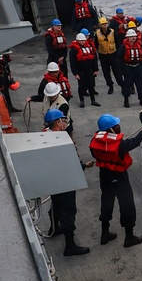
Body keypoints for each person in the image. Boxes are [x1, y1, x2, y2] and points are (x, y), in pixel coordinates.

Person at [88, 112, 142, 247]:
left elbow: (96, 153)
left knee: (106, 204)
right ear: (110, 129)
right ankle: (129, 237)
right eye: (117, 125)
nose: (119, 127)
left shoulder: (94, 141)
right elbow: (136, 141)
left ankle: (105, 234)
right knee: (127, 206)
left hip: (105, 178)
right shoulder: (120, 145)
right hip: (120, 179)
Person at [42, 107, 91, 256]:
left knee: (56, 204)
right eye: (63, 120)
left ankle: (54, 228)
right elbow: (69, 163)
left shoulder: (44, 135)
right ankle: (70, 246)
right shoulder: (61, 141)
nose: (65, 123)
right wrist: (84, 165)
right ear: (57, 122)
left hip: (53, 180)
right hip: (65, 180)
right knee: (68, 211)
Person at [69, 28, 100, 107]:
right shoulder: (73, 50)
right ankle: (81, 100)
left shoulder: (88, 48)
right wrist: (75, 73)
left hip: (89, 70)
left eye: (84, 40)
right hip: (80, 71)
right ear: (78, 41)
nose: (83, 42)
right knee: (81, 86)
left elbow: (93, 59)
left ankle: (93, 100)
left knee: (91, 86)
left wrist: (95, 69)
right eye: (81, 40)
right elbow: (72, 63)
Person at [120, 26, 142, 106]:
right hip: (128, 67)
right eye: (131, 37)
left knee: (140, 84)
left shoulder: (138, 45)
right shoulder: (123, 47)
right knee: (127, 84)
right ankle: (126, 99)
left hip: (138, 67)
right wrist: (122, 70)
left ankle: (141, 99)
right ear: (127, 37)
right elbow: (120, 58)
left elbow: (141, 56)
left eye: (134, 36)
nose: (133, 38)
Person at [94, 16, 118, 94]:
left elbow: (118, 42)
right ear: (100, 25)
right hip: (103, 55)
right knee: (106, 72)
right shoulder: (97, 34)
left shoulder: (113, 32)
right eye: (103, 24)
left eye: (105, 24)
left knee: (117, 71)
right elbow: (96, 44)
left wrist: (117, 53)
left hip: (113, 54)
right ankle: (110, 85)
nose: (104, 25)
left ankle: (121, 83)